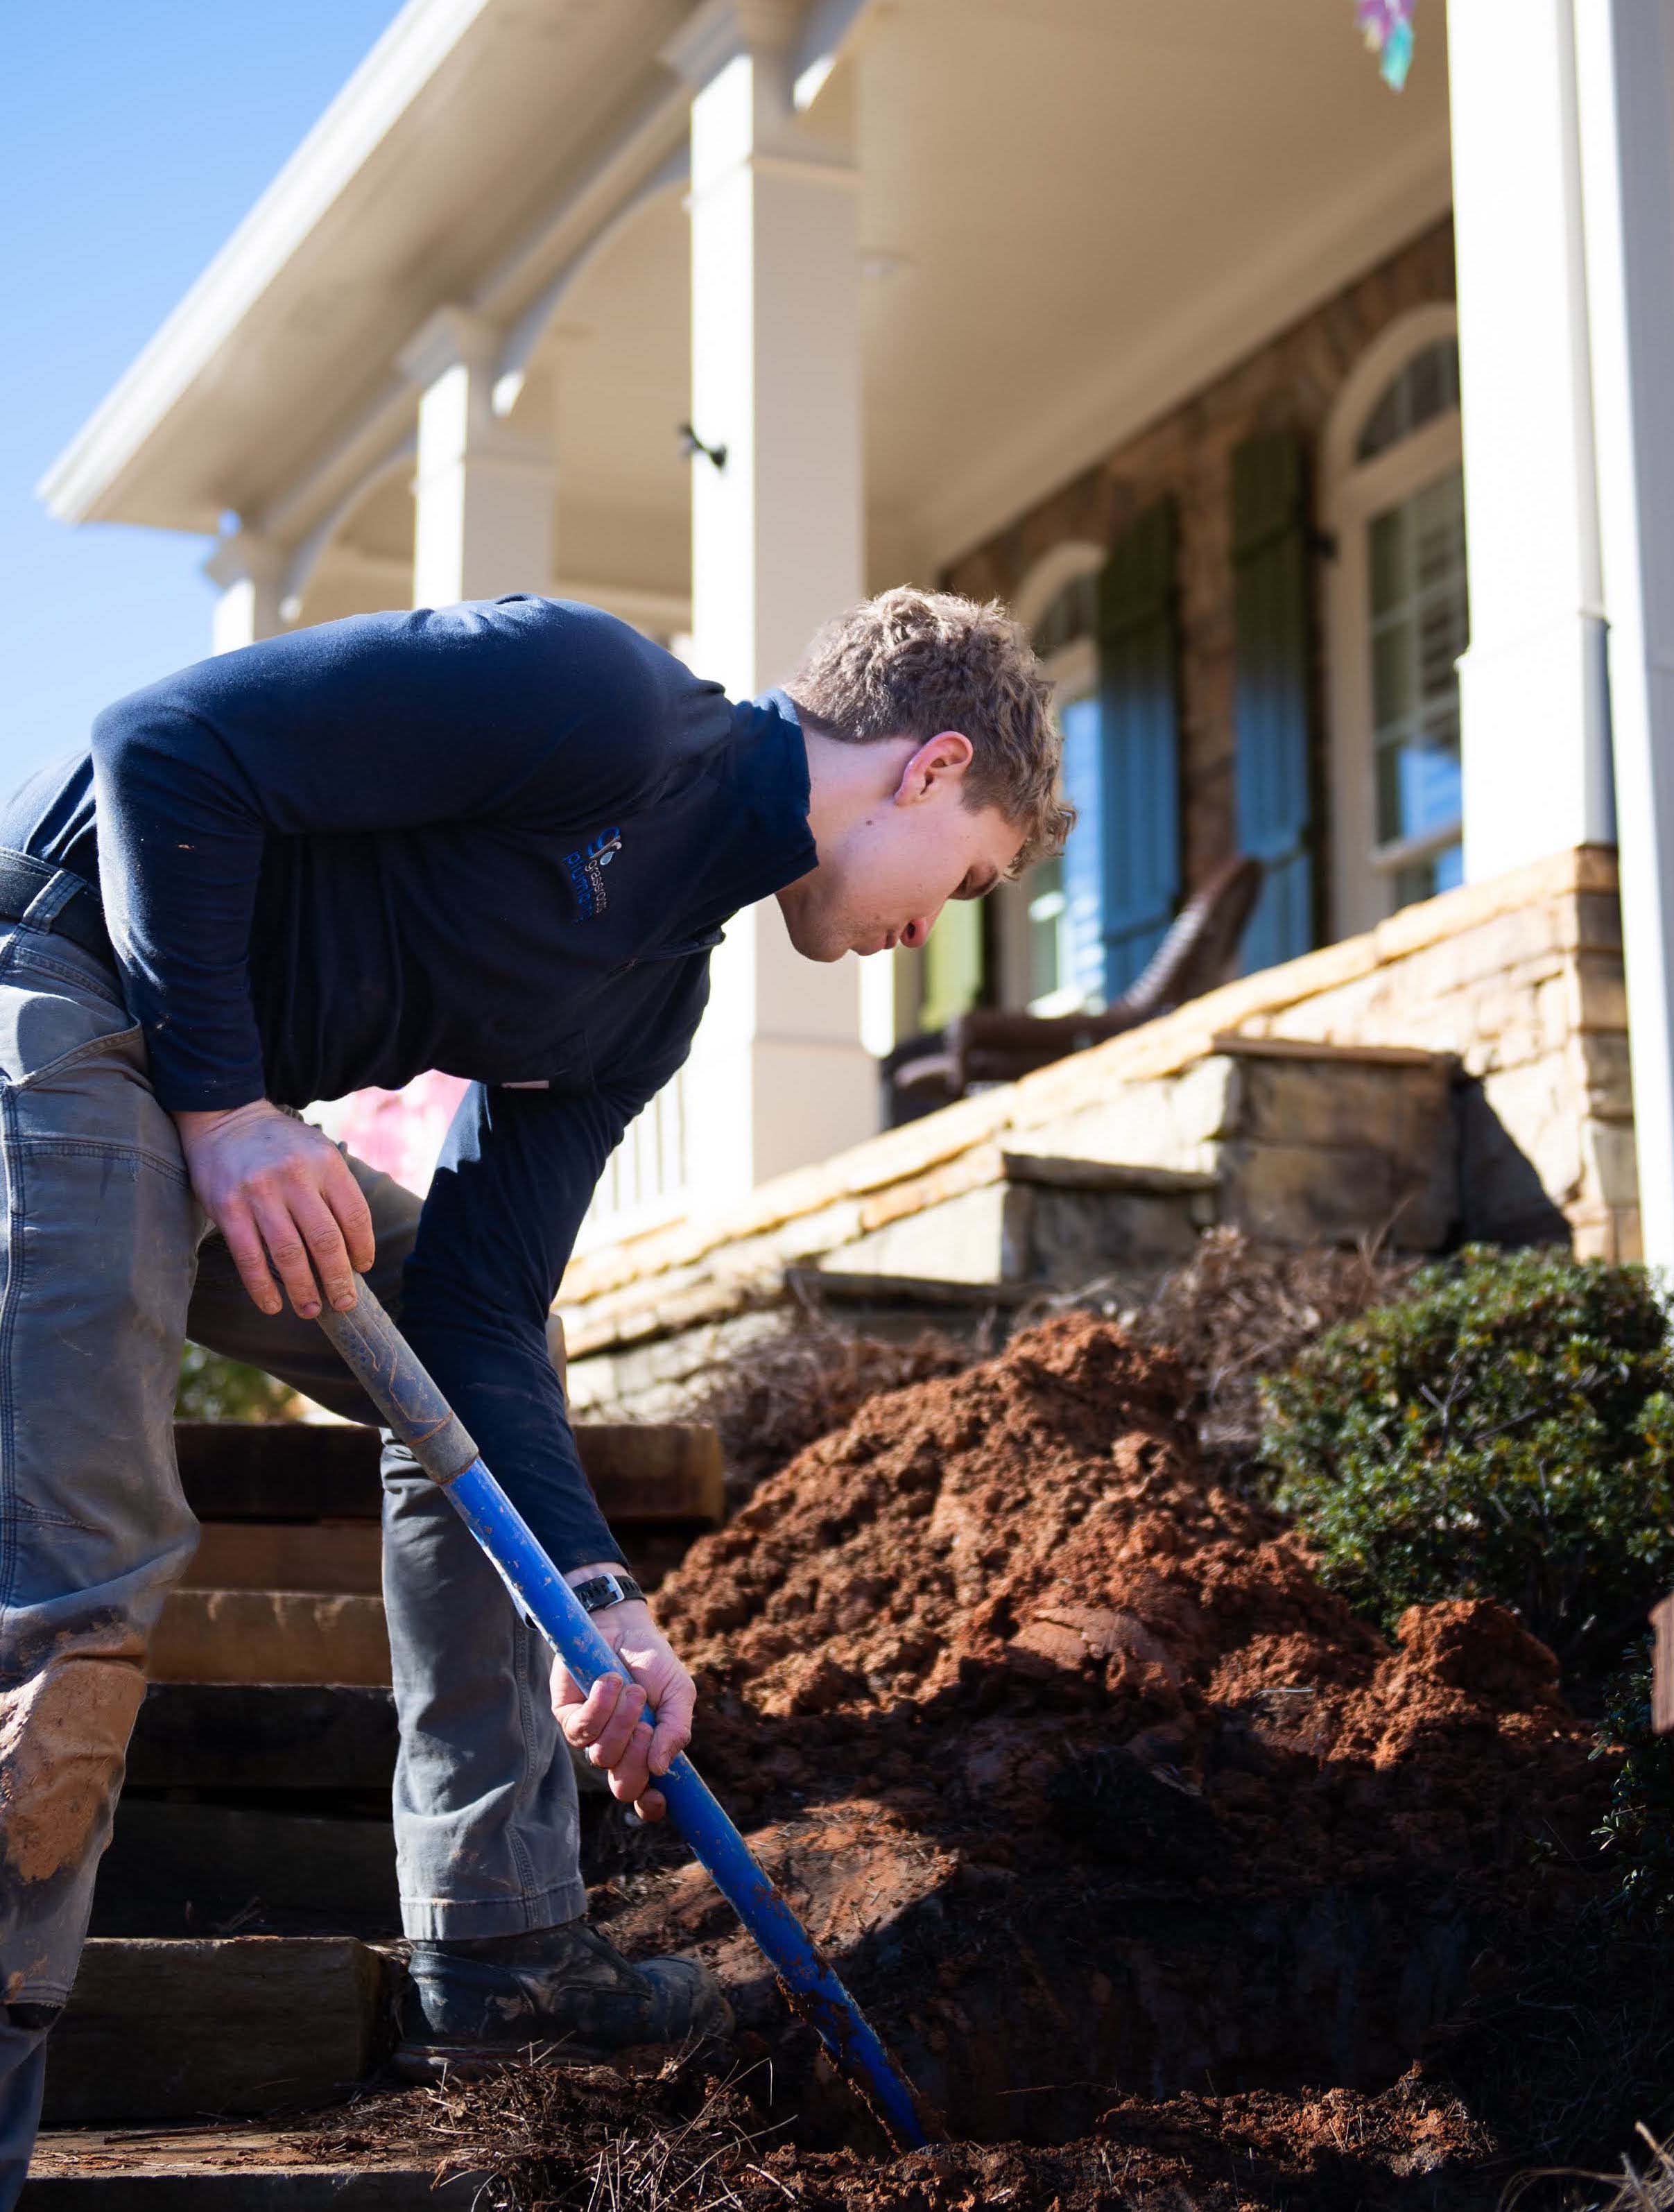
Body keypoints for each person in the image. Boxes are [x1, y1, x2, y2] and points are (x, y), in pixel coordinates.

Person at [0, 586, 1069, 2202]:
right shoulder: (598, 700)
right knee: (89, 1576)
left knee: (454, 1336)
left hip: (195, 1096)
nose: (935, 930)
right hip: (59, 988)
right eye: (971, 876)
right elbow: (160, 744)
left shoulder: (652, 999)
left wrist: (599, 1599)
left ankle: (496, 1945)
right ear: (927, 769)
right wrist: (226, 1108)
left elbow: (487, 1310)